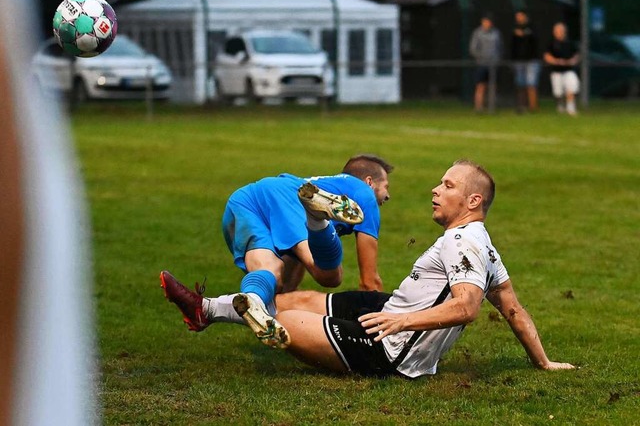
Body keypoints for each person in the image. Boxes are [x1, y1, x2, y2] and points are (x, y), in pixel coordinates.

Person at [161, 159, 576, 377]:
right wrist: (543, 362)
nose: (435, 189)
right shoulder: (483, 244)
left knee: (282, 320)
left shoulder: (464, 241)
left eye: (448, 185)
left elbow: (467, 307)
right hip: (390, 307)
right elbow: (514, 310)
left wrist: (402, 323)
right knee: (291, 298)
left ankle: (218, 306)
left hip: (389, 350)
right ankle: (207, 308)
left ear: (473, 202)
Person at [161, 154, 393, 347]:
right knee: (330, 276)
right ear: (370, 182)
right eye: (386, 187)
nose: (388, 196)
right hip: (288, 197)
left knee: (272, 277)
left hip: (246, 199)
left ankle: (206, 310)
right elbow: (369, 281)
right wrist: (387, 328)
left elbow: (290, 281)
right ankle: (316, 220)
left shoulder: (330, 183)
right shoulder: (364, 195)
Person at [544, 22, 580, 116]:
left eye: (561, 31)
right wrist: (556, 61)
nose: (559, 32)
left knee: (570, 88)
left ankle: (570, 108)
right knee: (558, 92)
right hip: (556, 71)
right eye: (557, 31)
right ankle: (560, 105)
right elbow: (547, 56)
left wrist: (572, 61)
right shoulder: (551, 43)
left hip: (568, 70)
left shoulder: (570, 43)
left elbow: (576, 55)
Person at [470, 14, 503, 112]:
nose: (486, 24)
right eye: (484, 21)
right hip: (482, 63)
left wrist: (497, 59)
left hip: (493, 64)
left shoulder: (496, 33)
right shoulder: (477, 33)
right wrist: (481, 58)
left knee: (492, 85)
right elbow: (473, 49)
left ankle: (491, 106)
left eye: (488, 22)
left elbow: (500, 47)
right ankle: (478, 107)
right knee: (480, 85)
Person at [511, 10, 540, 113]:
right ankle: (521, 106)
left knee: (531, 84)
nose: (518, 18)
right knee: (520, 84)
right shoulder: (514, 28)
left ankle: (533, 106)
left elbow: (535, 40)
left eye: (520, 16)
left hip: (531, 60)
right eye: (517, 16)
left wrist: (523, 35)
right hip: (519, 61)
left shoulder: (532, 27)